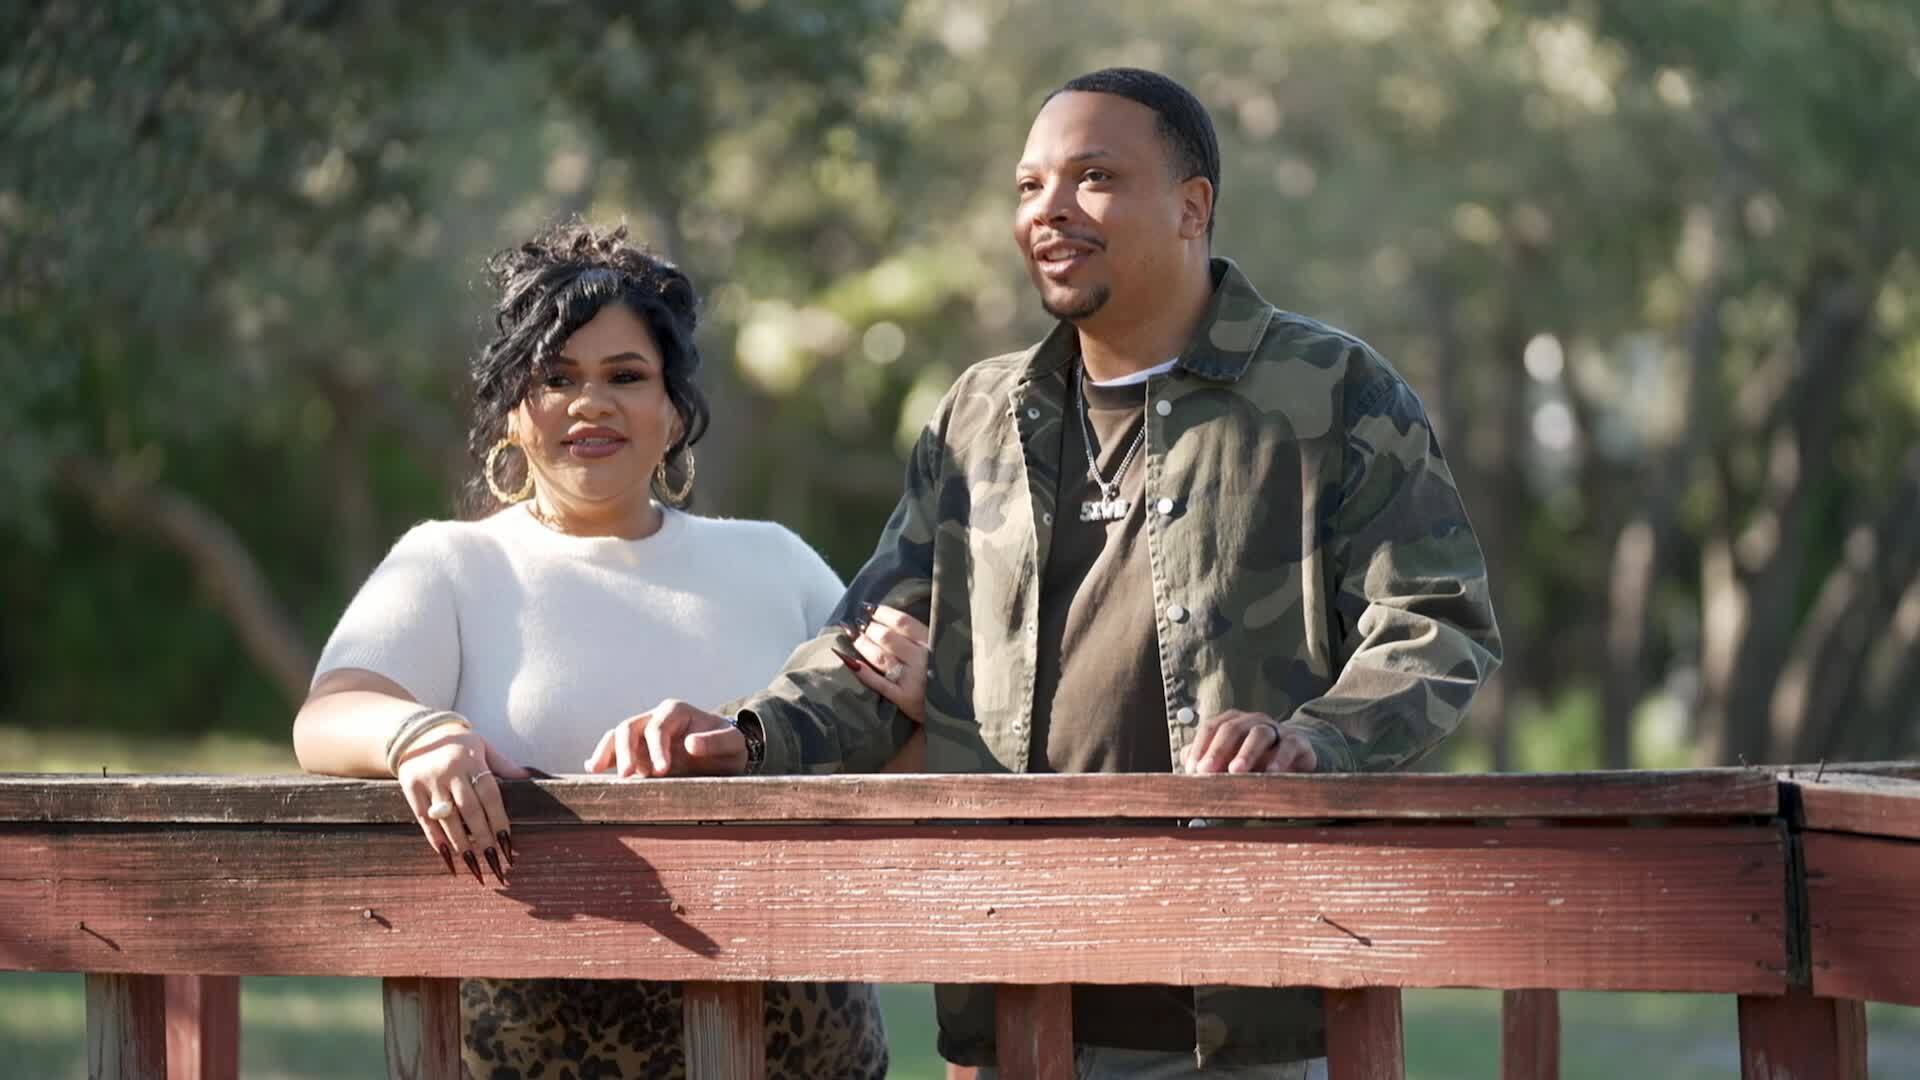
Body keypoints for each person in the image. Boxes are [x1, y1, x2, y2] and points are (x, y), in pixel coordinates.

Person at [602, 68, 1503, 1079]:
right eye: (1030, 186)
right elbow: (872, 650)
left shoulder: (1329, 388)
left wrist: (1315, 742)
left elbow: (1436, 623)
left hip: (1246, 1006)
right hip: (1020, 998)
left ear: (1192, 206)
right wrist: (748, 735)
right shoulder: (979, 415)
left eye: (1094, 177)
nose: (1050, 209)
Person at [291, 222, 925, 1079]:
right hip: (536, 1051)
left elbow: (881, 760)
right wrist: (418, 736)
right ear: (513, 411)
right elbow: (329, 714)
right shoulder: (451, 563)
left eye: (626, 376)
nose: (590, 404)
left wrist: (921, 705)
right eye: (556, 379)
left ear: (674, 409)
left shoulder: (775, 560)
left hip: (791, 1052)